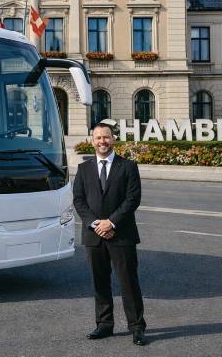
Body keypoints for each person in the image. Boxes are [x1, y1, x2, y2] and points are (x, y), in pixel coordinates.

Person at [73, 122, 147, 346]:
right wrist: (96, 223)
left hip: (121, 234)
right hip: (94, 235)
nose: (102, 142)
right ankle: (104, 325)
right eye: (98, 138)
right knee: (100, 282)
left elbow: (132, 199)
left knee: (128, 282)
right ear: (92, 140)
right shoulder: (83, 169)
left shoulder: (128, 166)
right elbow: (79, 200)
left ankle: (136, 327)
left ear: (113, 139)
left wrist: (111, 222)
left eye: (106, 137)